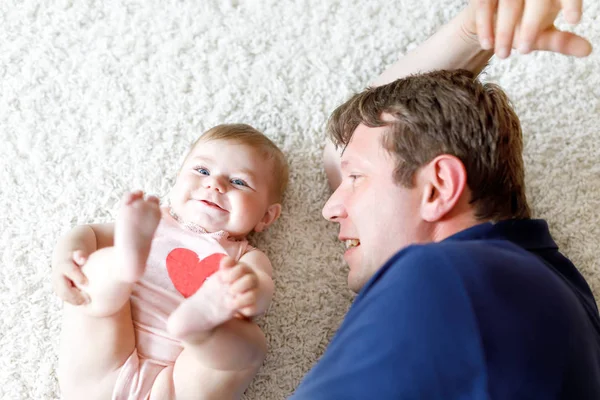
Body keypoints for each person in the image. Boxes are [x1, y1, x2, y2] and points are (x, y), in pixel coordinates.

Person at [292, 1, 598, 399]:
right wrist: (475, 31)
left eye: (355, 178)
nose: (329, 208)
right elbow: (341, 149)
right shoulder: (555, 292)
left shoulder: (440, 275)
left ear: (438, 187)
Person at [51, 124, 288, 399]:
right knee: (92, 281)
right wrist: (67, 261)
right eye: (202, 171)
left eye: (239, 182)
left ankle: (200, 332)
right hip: (106, 353)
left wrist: (249, 289)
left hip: (176, 379)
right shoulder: (150, 222)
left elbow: (262, 291)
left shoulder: (245, 257)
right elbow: (87, 233)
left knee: (250, 345)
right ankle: (122, 264)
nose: (215, 184)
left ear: (266, 217)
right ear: (178, 178)